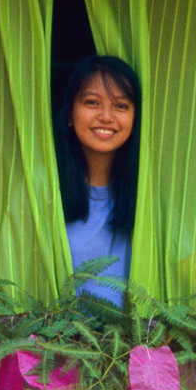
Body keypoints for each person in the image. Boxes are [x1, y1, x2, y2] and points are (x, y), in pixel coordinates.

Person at [55, 55, 139, 305]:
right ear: (70, 113)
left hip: (129, 343)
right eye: (92, 102)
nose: (106, 116)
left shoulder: (147, 197)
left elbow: (190, 257)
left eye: (120, 106)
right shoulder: (42, 194)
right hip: (56, 340)